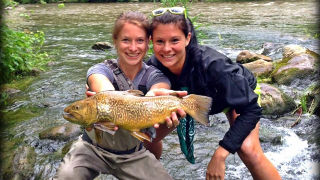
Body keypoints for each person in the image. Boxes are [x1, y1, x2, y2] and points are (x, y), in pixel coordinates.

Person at [147, 7, 282, 180]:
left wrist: (221, 153)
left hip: (235, 97)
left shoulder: (213, 65)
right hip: (191, 102)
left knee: (248, 149)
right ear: (151, 41)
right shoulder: (152, 67)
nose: (167, 49)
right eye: (160, 41)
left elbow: (251, 109)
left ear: (188, 38)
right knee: (144, 137)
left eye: (174, 40)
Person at [54, 11, 185, 180]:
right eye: (125, 40)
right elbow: (101, 86)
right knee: (66, 176)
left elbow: (160, 87)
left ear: (148, 43)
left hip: (132, 154)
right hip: (91, 149)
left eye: (139, 40)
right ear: (115, 41)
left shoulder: (155, 76)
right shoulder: (101, 70)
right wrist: (105, 96)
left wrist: (152, 98)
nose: (133, 47)